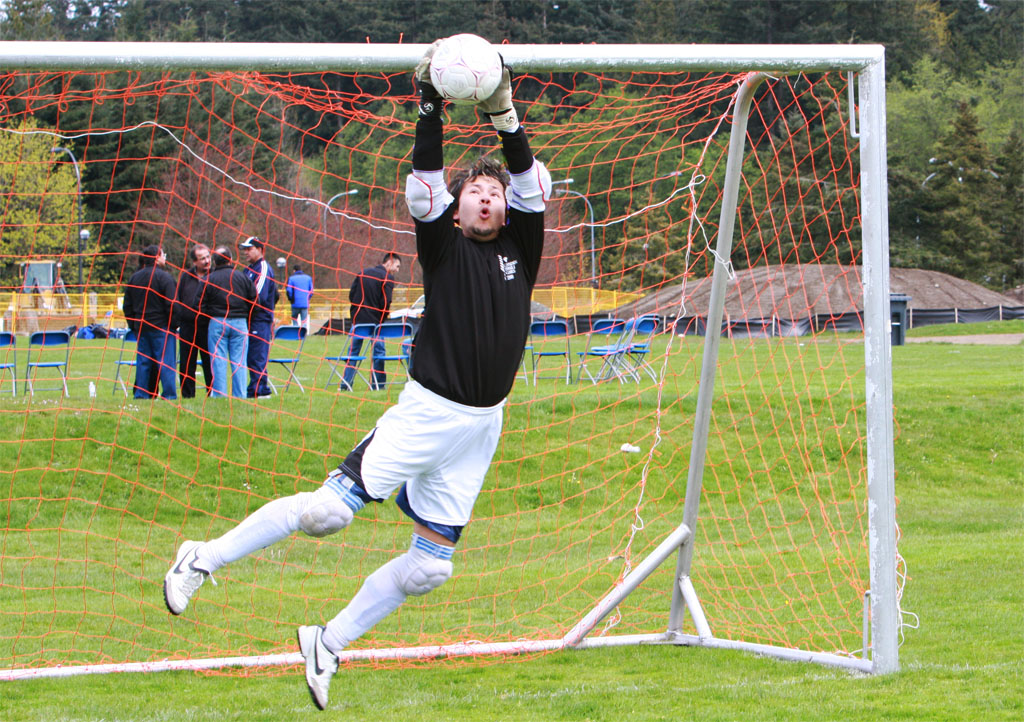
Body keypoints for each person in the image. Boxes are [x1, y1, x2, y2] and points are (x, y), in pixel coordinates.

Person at [162, 46, 549, 711]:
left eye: (493, 194)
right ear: (456, 210)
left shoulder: (522, 245)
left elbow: (532, 184)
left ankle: (327, 641)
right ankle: (202, 557)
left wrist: (507, 118)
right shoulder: (441, 245)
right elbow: (424, 182)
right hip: (427, 412)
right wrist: (430, 107)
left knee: (430, 566)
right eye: (473, 193)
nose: (485, 199)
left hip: (482, 426)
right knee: (324, 515)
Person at [197, 246, 256, 399]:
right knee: (239, 361)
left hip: (217, 321)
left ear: (214, 261)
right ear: (230, 259)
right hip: (240, 322)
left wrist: (208, 317)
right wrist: (246, 316)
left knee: (218, 360)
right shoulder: (243, 277)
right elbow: (256, 300)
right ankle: (240, 395)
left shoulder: (208, 279)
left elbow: (199, 304)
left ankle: (219, 395)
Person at [121, 244, 177, 400]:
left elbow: (127, 305)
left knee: (143, 362)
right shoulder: (165, 278)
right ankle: (169, 395)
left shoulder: (134, 278)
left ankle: (141, 394)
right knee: (166, 363)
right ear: (157, 257)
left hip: (142, 327)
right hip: (161, 327)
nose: (165, 258)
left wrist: (134, 325)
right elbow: (172, 304)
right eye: (163, 255)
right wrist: (173, 324)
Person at [341, 252, 401, 391]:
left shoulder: (362, 273)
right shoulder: (387, 278)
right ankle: (378, 384)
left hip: (359, 321)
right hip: (375, 322)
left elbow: (352, 294)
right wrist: (382, 318)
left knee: (353, 353)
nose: (397, 270)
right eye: (397, 266)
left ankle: (346, 383)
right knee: (379, 353)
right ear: (389, 262)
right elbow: (386, 301)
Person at [240, 236, 278, 399]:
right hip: (250, 319)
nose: (246, 252)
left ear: (260, 250)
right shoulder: (248, 269)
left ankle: (259, 389)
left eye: (249, 249)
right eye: (245, 249)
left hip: (259, 319)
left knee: (257, 355)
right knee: (251, 356)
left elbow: (258, 296)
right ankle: (256, 387)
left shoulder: (262, 268)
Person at [175, 243, 213, 398]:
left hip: (208, 326)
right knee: (186, 363)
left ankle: (212, 393)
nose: (206, 261)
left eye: (207, 257)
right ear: (194, 262)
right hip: (188, 326)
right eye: (202, 258)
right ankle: (188, 395)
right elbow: (178, 297)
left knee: (209, 362)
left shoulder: (215, 275)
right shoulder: (185, 277)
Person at [286, 264, 314, 330]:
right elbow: (311, 291)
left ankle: (296, 332)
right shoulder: (308, 278)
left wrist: (291, 299)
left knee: (294, 318)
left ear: (294, 271)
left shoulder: (291, 278)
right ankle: (303, 333)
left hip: (295, 303)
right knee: (304, 320)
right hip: (305, 303)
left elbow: (289, 290)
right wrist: (308, 298)